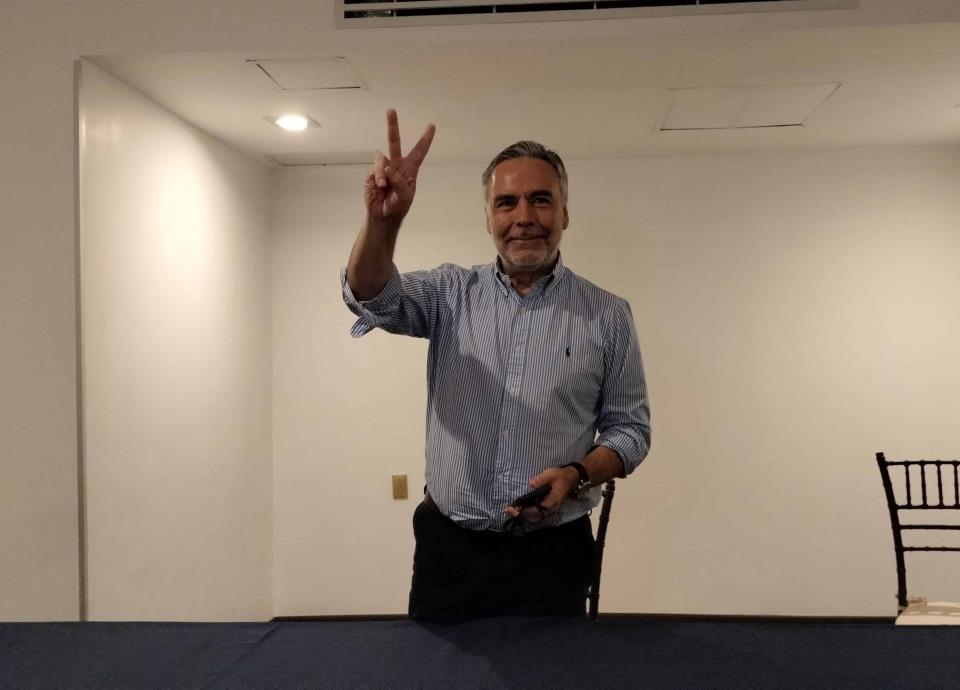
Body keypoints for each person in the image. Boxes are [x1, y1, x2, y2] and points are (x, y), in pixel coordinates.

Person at [341, 110, 651, 621]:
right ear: (488, 218)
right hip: (449, 551)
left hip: (552, 555)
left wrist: (577, 473)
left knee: (551, 666)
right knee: (433, 665)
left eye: (540, 199)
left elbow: (631, 432)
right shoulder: (448, 294)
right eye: (506, 203)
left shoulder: (608, 315)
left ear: (565, 214)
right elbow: (372, 296)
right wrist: (383, 222)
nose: (523, 216)